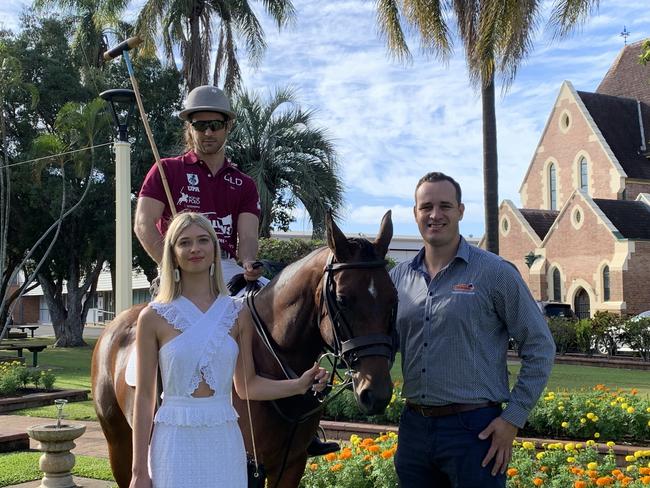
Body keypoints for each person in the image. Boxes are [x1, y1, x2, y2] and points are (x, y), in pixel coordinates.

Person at [129, 212, 328, 488]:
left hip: (224, 441)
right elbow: (145, 399)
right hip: (173, 440)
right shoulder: (153, 317)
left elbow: (247, 387)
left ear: (214, 249)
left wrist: (298, 384)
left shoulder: (237, 312)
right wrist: (139, 471)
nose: (195, 249)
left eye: (202, 240)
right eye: (184, 242)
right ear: (172, 253)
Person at [390, 172, 555, 488]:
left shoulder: (495, 273)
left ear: (461, 211)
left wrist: (512, 419)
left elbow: (540, 346)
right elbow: (384, 347)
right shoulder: (398, 279)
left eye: (445, 206)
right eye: (426, 207)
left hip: (475, 431)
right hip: (414, 429)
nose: (435, 215)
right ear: (415, 213)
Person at [134, 84, 264, 285]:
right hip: (180, 265)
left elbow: (247, 237)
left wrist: (248, 262)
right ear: (190, 128)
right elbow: (143, 224)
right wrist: (170, 264)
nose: (208, 132)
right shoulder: (166, 170)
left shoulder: (244, 184)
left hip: (225, 268)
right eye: (200, 126)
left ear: (227, 126)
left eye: (216, 125)